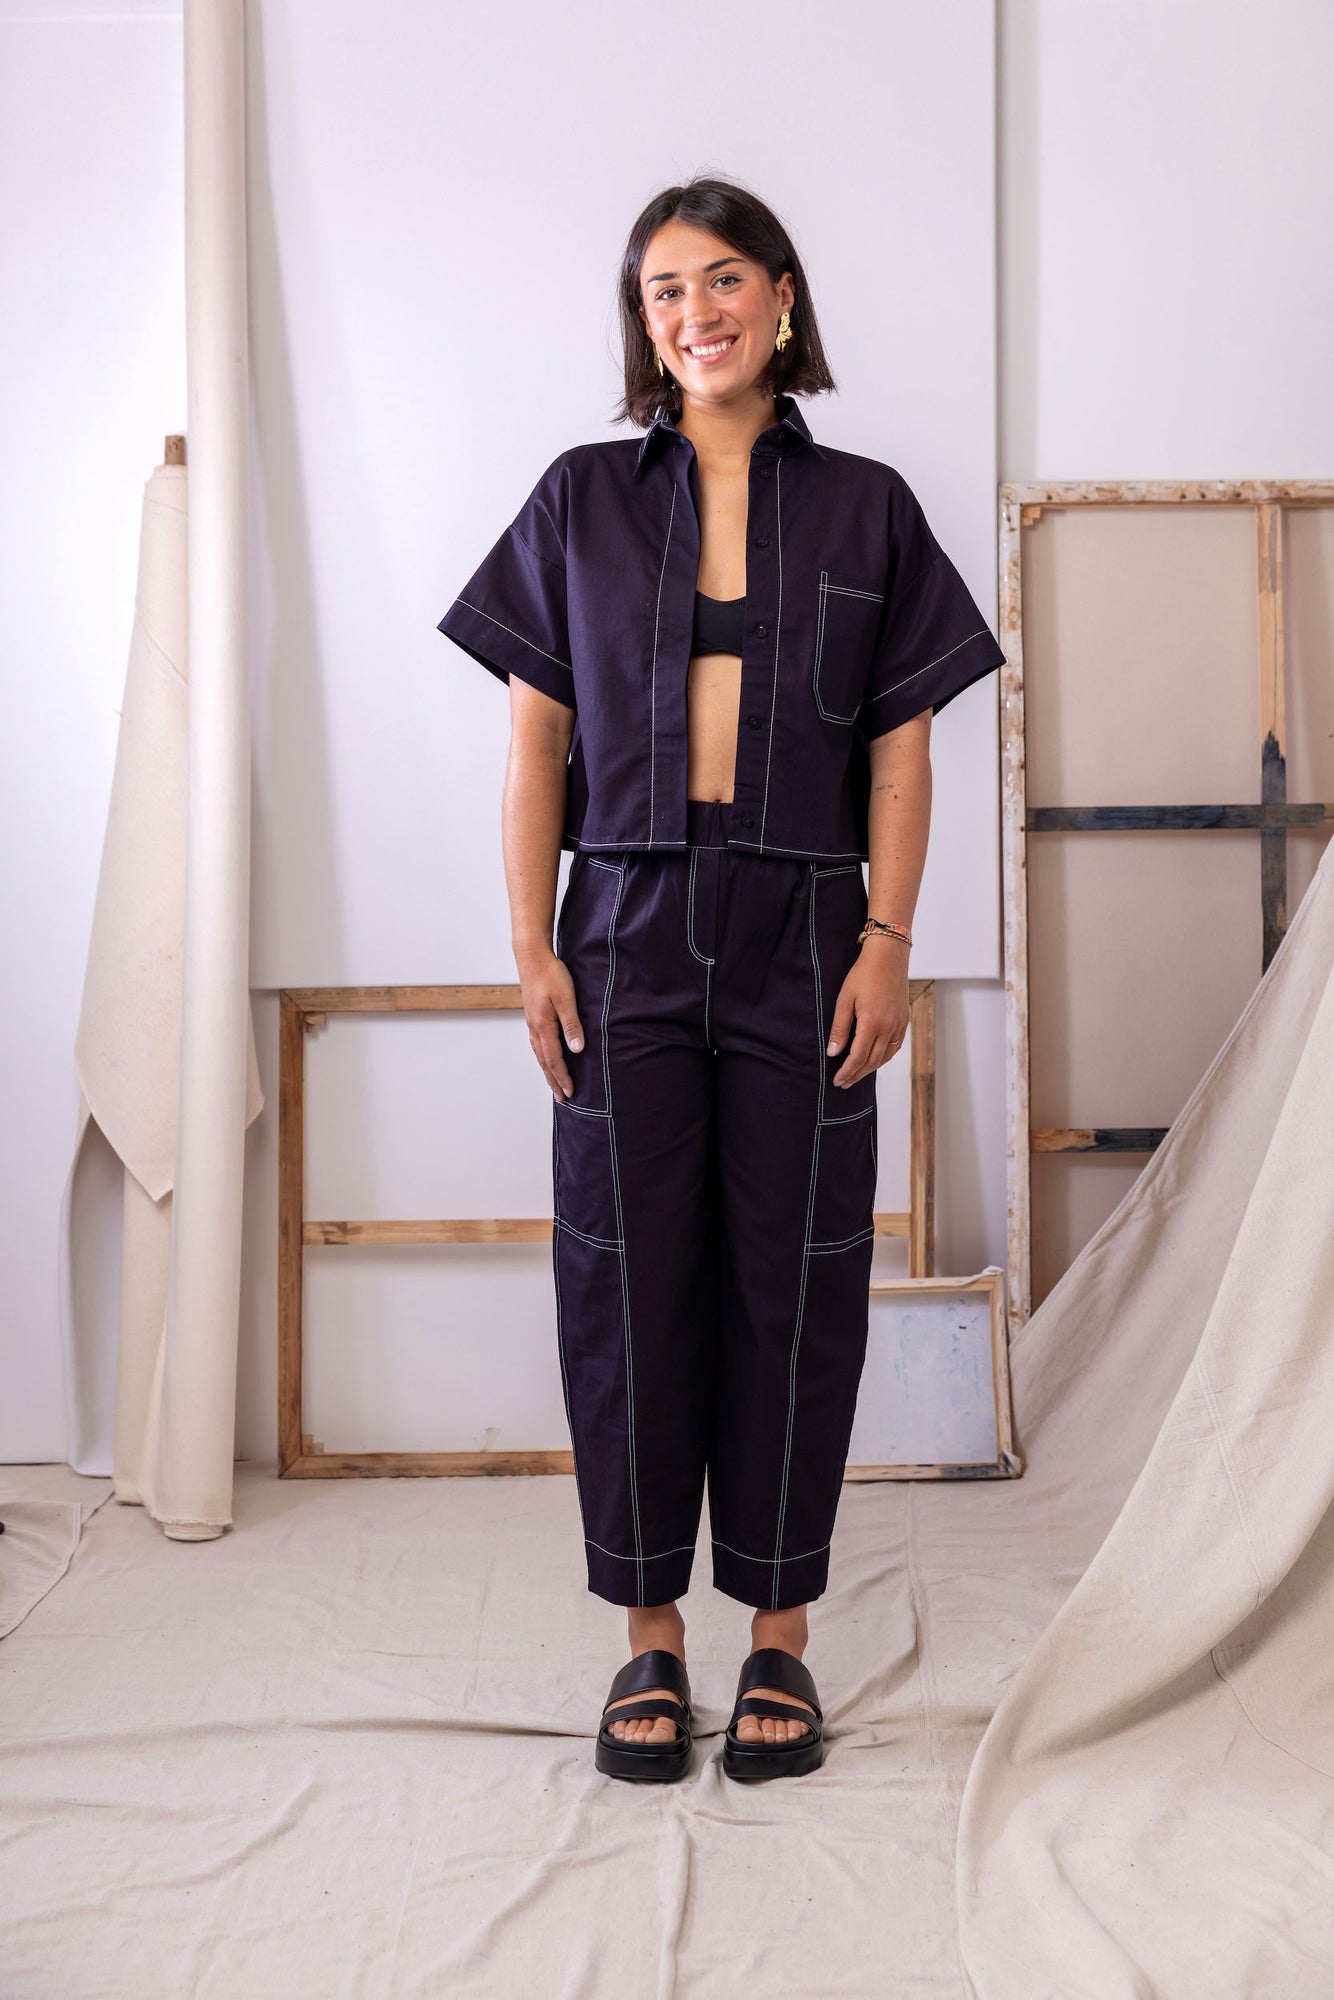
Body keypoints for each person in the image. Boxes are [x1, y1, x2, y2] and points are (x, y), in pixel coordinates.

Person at [437, 175, 1006, 1784]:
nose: (696, 312)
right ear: (644, 324)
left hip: (807, 931)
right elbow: (532, 746)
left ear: (781, 296)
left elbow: (898, 755)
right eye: (663, 291)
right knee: (623, 1277)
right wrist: (532, 949)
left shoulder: (869, 508)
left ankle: (778, 1635)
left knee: (794, 1277)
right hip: (620, 922)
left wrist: (888, 943)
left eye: (723, 279)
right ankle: (648, 1638)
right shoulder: (578, 500)